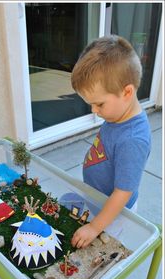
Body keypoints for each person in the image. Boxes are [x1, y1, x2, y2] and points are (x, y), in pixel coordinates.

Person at [70, 35, 151, 249]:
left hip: (114, 215)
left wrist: (95, 227)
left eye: (99, 104)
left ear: (126, 92)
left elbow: (123, 193)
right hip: (98, 200)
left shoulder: (133, 139)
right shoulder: (116, 115)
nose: (94, 111)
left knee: (103, 254)